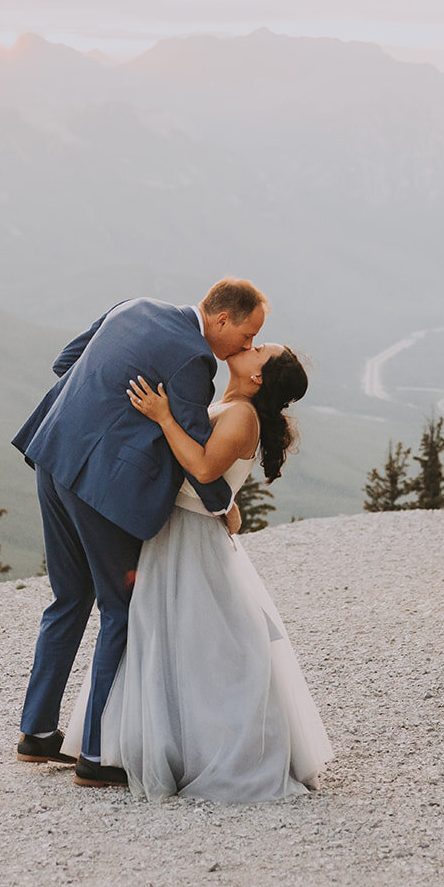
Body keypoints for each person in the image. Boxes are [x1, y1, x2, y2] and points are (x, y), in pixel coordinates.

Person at [13, 278, 268, 787]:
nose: (245, 346)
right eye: (246, 335)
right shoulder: (196, 360)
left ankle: (36, 734)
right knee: (121, 609)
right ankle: (97, 754)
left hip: (54, 453)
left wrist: (100, 412)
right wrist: (225, 510)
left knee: (69, 596)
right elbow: (200, 459)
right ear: (221, 321)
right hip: (97, 484)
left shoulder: (135, 305)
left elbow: (67, 361)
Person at [61, 343, 333, 801]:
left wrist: (164, 417)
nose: (251, 345)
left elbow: (205, 469)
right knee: (168, 637)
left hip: (191, 536)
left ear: (260, 377)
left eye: (261, 349)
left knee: (197, 641)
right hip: (175, 529)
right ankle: (154, 741)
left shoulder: (243, 414)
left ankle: (206, 748)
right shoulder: (232, 406)